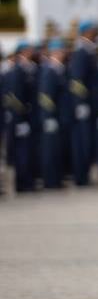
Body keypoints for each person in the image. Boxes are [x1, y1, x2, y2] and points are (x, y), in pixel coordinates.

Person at [3, 41, 40, 192]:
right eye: (29, 50)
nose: (32, 52)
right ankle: (23, 183)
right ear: (23, 52)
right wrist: (20, 120)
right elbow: (15, 98)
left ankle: (27, 181)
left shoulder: (26, 69)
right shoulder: (18, 70)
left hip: (27, 118)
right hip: (21, 119)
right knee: (22, 154)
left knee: (27, 152)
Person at [68, 20, 98, 186]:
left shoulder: (90, 51)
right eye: (94, 31)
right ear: (86, 32)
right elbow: (77, 80)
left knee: (88, 142)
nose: (97, 34)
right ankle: (81, 177)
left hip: (91, 103)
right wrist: (81, 103)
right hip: (84, 104)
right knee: (83, 142)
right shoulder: (82, 51)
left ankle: (85, 175)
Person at [37, 39, 72, 190]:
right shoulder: (49, 70)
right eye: (61, 51)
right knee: (50, 151)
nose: (64, 54)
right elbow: (45, 97)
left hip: (60, 117)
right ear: (55, 53)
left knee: (57, 150)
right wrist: (49, 117)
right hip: (53, 117)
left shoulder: (59, 69)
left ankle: (57, 179)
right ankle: (50, 181)